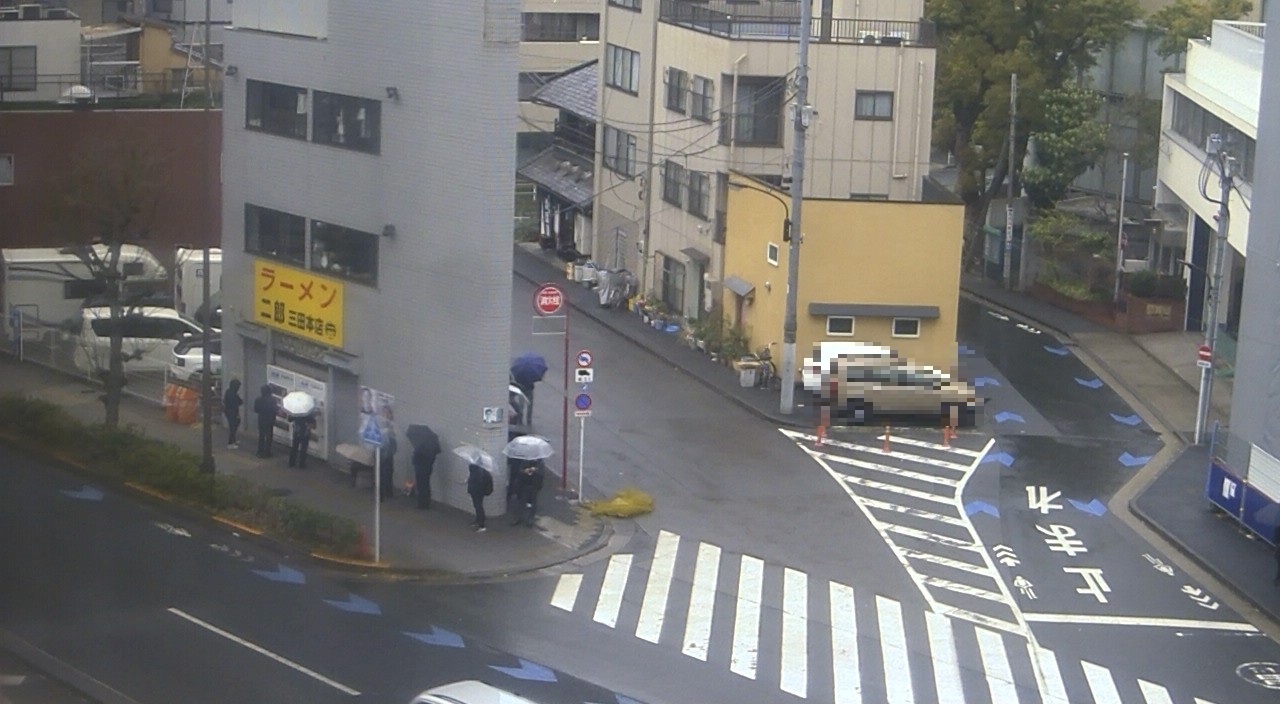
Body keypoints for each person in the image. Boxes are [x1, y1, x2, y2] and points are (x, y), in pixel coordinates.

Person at [510, 459, 545, 528]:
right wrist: (525, 471)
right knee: (521, 501)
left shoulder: (540, 463)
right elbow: (520, 470)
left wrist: (535, 470)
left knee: (533, 503)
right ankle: (519, 517)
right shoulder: (525, 461)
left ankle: (530, 519)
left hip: (534, 486)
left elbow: (542, 473)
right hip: (524, 485)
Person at [412, 437, 439, 509]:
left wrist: (415, 451)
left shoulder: (421, 448)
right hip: (428, 468)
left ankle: (421, 503)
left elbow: (415, 459)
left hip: (420, 468)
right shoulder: (433, 448)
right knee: (426, 485)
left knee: (421, 486)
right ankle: (426, 503)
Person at [378, 408, 398, 501]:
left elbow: (395, 435)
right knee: (380, 471)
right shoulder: (380, 422)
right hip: (381, 449)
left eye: (388, 413)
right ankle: (380, 492)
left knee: (388, 471)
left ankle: (388, 491)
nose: (387, 415)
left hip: (389, 450)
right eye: (385, 413)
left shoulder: (392, 424)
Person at [467, 462, 494, 531]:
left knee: (478, 506)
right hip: (480, 492)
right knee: (478, 506)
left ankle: (481, 524)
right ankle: (479, 521)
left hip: (476, 491)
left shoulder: (476, 471)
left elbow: (476, 481)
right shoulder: (483, 472)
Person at [253, 385, 277, 458]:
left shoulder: (258, 399)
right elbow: (274, 410)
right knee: (269, 436)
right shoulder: (272, 400)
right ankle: (267, 452)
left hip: (261, 419)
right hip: (270, 420)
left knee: (261, 435)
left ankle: (260, 451)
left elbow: (256, 410)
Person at [222, 379, 243, 449]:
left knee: (234, 426)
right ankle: (231, 443)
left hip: (228, 412)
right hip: (232, 413)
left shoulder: (228, 391)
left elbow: (225, 401)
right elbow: (239, 402)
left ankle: (233, 440)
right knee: (233, 427)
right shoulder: (233, 394)